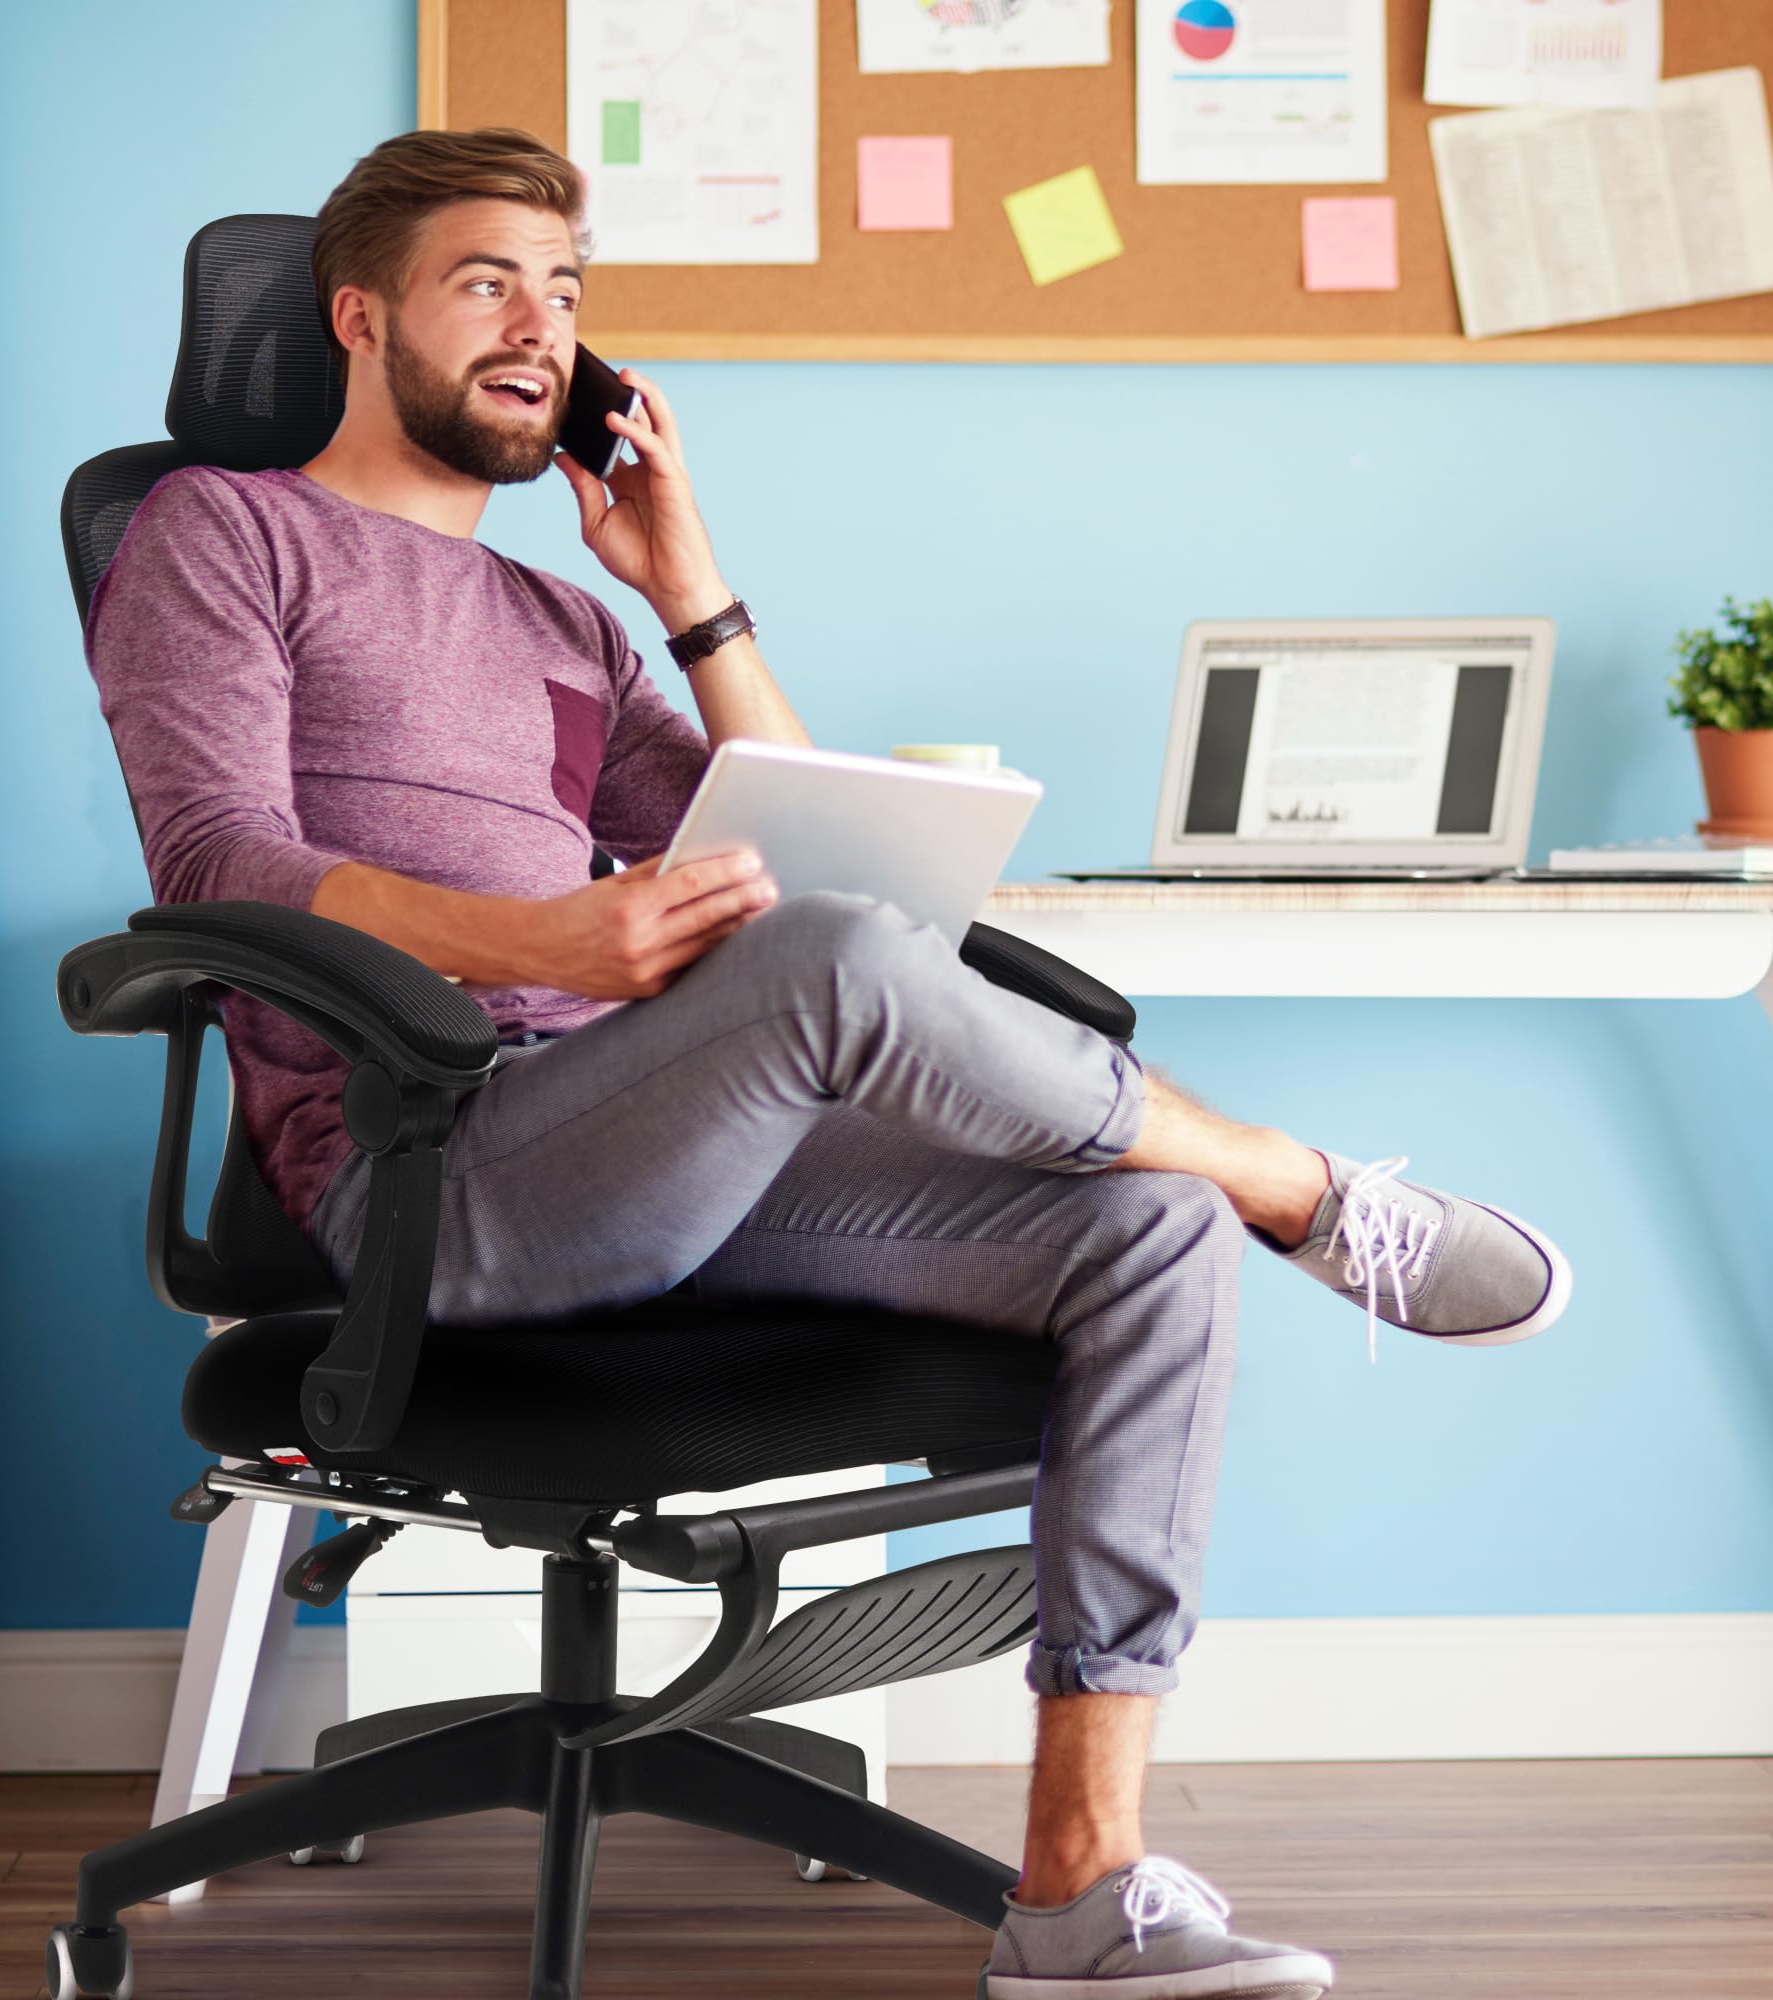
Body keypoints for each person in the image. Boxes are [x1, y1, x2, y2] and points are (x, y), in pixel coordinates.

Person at [84, 127, 1572, 1999]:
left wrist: (687, 588)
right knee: (925, 1022)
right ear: (359, 316)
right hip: (442, 1175)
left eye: (568, 290)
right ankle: (1302, 1184)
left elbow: (834, 868)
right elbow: (217, 860)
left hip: (667, 1149)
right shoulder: (220, 532)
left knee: (1152, 1240)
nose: (541, 326)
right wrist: (545, 937)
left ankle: (1077, 1887)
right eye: (489, 284)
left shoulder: (563, 615)